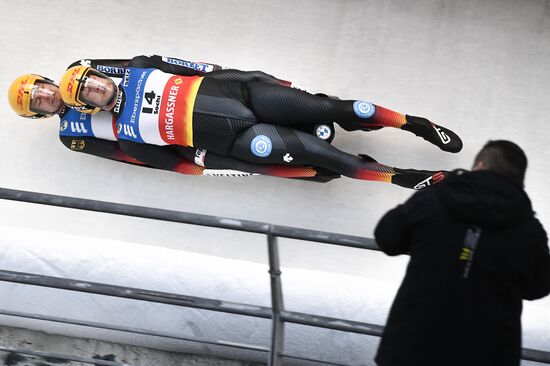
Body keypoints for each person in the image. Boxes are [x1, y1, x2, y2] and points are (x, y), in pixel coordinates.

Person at [58, 55, 463, 189]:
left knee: (340, 109)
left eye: (92, 81)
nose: (94, 89)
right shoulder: (128, 139)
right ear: (88, 106)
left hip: (243, 95)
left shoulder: (140, 67)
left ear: (99, 74)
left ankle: (414, 123)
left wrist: (260, 79)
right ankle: (407, 177)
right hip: (241, 136)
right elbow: (179, 164)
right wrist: (228, 169)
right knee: (338, 160)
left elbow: (197, 66)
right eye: (87, 94)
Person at [7, 56, 338, 181]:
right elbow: (120, 154)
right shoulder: (70, 135)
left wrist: (203, 70)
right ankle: (313, 169)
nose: (47, 97)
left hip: (178, 99)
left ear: (45, 81)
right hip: (166, 139)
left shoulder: (81, 70)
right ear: (39, 114)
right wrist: (172, 164)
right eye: (38, 102)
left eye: (41, 90)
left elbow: (143, 64)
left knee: (254, 82)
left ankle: (319, 105)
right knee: (242, 161)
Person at [374, 140, 550, 365]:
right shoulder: (529, 231)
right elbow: (539, 287)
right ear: (519, 180)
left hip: (411, 347)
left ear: (480, 165)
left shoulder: (432, 199)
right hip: (488, 354)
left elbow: (387, 237)